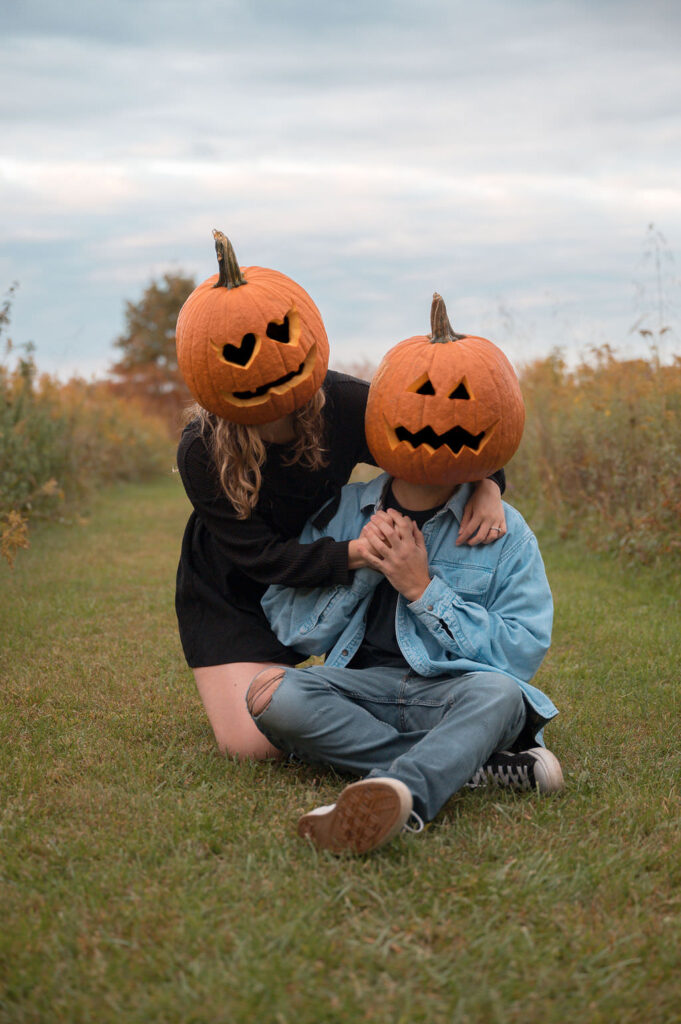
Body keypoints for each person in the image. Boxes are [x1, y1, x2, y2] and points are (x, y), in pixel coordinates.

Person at [247, 293, 563, 854]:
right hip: (361, 688)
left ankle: (403, 790)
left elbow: (520, 654)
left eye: (458, 400)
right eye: (417, 400)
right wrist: (364, 563)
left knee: (500, 696)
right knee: (273, 693)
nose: (435, 415)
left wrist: (423, 589)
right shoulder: (344, 511)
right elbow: (290, 626)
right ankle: (472, 767)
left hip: (456, 692)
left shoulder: (503, 530)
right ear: (386, 415)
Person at [175, 236, 508, 761]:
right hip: (237, 588)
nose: (260, 365)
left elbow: (439, 435)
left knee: (339, 706)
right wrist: (361, 552)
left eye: (280, 335)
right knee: (252, 745)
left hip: (330, 591)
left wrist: (488, 483)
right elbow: (261, 558)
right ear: (204, 367)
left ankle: (433, 746)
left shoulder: (345, 403)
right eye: (237, 355)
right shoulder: (201, 450)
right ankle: (457, 760)